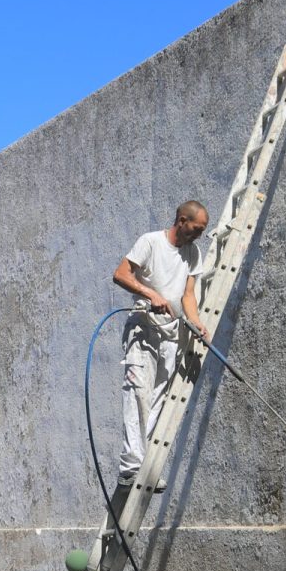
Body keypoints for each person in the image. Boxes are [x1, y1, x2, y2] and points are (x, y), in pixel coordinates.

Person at [110, 200, 210, 510]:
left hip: (171, 335)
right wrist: (151, 294)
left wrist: (195, 322)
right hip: (144, 329)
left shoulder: (193, 254)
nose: (199, 236)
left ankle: (146, 466)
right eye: (197, 229)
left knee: (158, 399)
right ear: (182, 220)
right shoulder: (150, 241)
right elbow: (121, 274)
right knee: (137, 393)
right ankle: (131, 466)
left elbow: (188, 295)